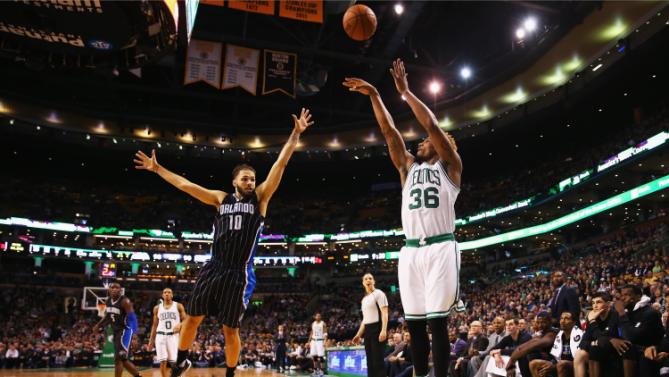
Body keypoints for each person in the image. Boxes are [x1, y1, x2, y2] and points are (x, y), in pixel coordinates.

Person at [134, 108, 314, 377]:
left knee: (231, 329)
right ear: (234, 182)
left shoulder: (260, 199)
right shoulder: (221, 199)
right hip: (214, 267)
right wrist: (158, 168)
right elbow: (186, 185)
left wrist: (295, 134)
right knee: (193, 318)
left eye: (253, 178)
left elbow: (281, 164)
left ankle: (230, 373)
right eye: (246, 178)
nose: (251, 182)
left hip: (238, 271)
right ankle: (180, 362)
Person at [344, 58, 464, 377]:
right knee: (414, 323)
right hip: (411, 250)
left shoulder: (450, 166)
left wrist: (407, 94)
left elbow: (432, 127)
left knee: (437, 322)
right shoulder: (407, 168)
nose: (421, 142)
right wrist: (375, 95)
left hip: (440, 247)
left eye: (426, 142)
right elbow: (389, 131)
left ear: (443, 146)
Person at [92, 282, 142, 377]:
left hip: (125, 331)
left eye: (117, 287)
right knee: (122, 359)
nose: (114, 289)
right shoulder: (108, 301)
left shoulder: (125, 301)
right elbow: (108, 316)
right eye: (112, 287)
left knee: (119, 358)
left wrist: (135, 336)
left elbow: (132, 318)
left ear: (120, 290)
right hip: (116, 331)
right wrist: (98, 325)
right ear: (109, 290)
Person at [352, 273, 389, 377]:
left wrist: (383, 330)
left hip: (377, 328)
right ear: (363, 283)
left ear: (374, 281)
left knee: (378, 361)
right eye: (366, 279)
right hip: (367, 331)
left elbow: (385, 313)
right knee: (370, 362)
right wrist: (358, 334)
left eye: (370, 278)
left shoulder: (379, 293)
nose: (368, 280)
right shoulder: (364, 300)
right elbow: (365, 319)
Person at [529, 311, 583, 377]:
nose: (562, 321)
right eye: (561, 318)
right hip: (559, 363)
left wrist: (555, 365)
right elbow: (555, 357)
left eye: (566, 319)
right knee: (533, 364)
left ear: (573, 322)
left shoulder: (580, 335)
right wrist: (552, 364)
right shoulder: (560, 335)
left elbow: (579, 359)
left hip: (575, 364)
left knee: (562, 364)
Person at [504, 312, 558, 377]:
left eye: (543, 322)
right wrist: (511, 362)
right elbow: (521, 347)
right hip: (546, 361)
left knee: (529, 355)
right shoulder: (541, 333)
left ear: (550, 322)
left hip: (555, 363)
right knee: (525, 355)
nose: (540, 325)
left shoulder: (552, 333)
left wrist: (511, 362)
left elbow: (533, 345)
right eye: (538, 323)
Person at [148, 288, 187, 377]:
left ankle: (178, 374)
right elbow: (154, 325)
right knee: (163, 361)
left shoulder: (178, 306)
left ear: (172, 295)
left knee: (174, 362)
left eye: (169, 292)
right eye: (165, 292)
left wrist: (180, 325)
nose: (167, 294)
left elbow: (186, 320)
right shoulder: (157, 308)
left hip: (173, 336)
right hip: (160, 335)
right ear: (162, 295)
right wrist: (151, 340)